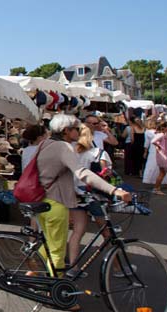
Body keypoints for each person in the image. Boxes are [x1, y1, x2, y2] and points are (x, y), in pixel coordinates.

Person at [33, 114, 130, 295]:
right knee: (57, 251)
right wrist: (113, 190)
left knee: (49, 243)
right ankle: (55, 293)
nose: (79, 132)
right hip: (56, 202)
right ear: (66, 131)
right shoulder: (63, 147)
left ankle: (31, 274)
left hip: (41, 199)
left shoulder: (45, 144)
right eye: (76, 129)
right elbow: (82, 173)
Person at [66, 125, 113, 278]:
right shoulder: (98, 153)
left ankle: (73, 265)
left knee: (78, 231)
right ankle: (117, 266)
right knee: (106, 231)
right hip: (94, 195)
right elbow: (106, 174)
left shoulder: (70, 152)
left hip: (76, 193)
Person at [142, 119, 167, 186]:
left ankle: (151, 180)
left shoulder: (147, 132)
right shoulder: (161, 132)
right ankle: (164, 181)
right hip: (162, 149)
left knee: (152, 164)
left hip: (153, 149)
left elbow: (147, 143)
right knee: (162, 165)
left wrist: (145, 152)